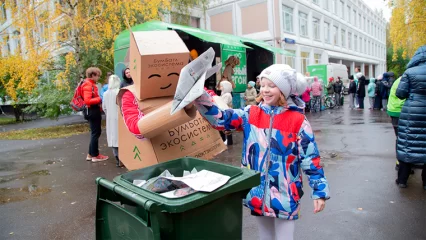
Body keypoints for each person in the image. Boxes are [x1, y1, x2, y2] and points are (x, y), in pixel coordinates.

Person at [190, 64, 330, 239]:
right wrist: (199, 96)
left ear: (284, 90)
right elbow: (221, 119)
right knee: (264, 236)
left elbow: (310, 158)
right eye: (263, 85)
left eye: (271, 86)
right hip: (257, 193)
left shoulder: (298, 121)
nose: (265, 90)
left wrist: (319, 192)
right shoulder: (251, 114)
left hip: (285, 195)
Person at [395, 45, 426, 190]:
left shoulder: (409, 72)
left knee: (407, 145)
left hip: (411, 112)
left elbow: (400, 93)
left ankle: (402, 180)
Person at [82, 67, 109, 162]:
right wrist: (100, 99)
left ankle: (90, 154)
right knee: (95, 133)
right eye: (98, 76)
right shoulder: (88, 85)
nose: (98, 77)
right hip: (92, 111)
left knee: (95, 133)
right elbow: (87, 100)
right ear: (93, 75)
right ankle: (95, 155)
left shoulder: (90, 84)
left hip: (93, 110)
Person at [102, 75, 122, 167]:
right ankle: (123, 159)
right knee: (121, 139)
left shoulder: (105, 94)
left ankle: (117, 158)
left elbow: (104, 107)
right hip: (120, 118)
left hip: (110, 119)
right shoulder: (119, 92)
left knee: (113, 139)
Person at [219, 80, 233, 145]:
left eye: (222, 86)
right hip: (224, 112)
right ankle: (224, 139)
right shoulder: (223, 93)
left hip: (226, 112)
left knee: (227, 127)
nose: (220, 87)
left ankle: (229, 141)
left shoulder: (227, 95)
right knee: (223, 126)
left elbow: (224, 103)